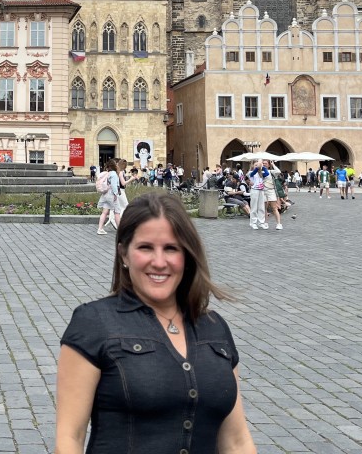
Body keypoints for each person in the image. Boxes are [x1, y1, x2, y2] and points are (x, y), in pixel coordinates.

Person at [55, 193, 256, 454]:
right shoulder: (93, 323)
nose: (159, 262)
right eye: (145, 247)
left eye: (171, 248)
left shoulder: (215, 328)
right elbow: (69, 440)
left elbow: (237, 441)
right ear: (124, 254)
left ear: (187, 255)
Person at [96, 159, 121, 235]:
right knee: (117, 211)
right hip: (111, 194)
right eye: (116, 164)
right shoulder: (113, 174)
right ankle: (120, 230)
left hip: (105, 194)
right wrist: (116, 194)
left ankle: (100, 228)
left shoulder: (107, 173)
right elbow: (114, 186)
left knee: (104, 212)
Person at [247, 160, 270, 230]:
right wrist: (258, 167)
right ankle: (253, 223)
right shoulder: (250, 172)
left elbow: (267, 173)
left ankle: (261, 222)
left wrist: (263, 167)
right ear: (253, 166)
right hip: (254, 190)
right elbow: (253, 173)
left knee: (261, 207)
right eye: (255, 165)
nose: (257, 166)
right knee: (254, 207)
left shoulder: (261, 173)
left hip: (261, 191)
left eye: (258, 165)